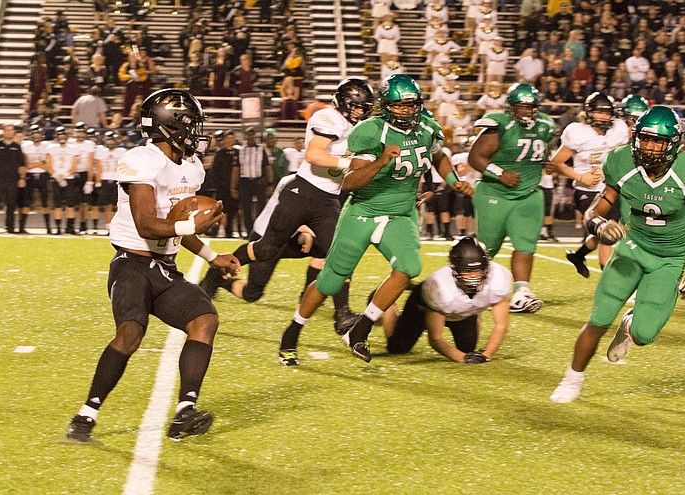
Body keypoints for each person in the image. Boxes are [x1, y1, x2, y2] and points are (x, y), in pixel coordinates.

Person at [66, 88, 240, 442]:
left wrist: (211, 255)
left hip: (165, 269)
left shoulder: (190, 167)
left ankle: (184, 412)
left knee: (204, 320)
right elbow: (147, 223)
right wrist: (192, 227)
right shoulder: (141, 160)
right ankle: (86, 415)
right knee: (131, 334)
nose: (196, 130)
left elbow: (177, 226)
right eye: (190, 123)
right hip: (131, 265)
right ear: (169, 126)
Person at [277, 74, 473, 365]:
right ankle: (292, 333)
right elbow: (351, 182)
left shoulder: (427, 128)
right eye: (400, 106)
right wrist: (381, 161)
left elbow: (438, 155)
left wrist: (453, 180)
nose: (407, 112)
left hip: (400, 213)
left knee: (409, 267)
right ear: (386, 106)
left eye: (412, 106)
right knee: (330, 282)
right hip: (364, 212)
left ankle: (362, 327)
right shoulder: (371, 132)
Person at [549, 106, 685, 403]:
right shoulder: (621, 161)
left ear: (675, 144)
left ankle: (631, 324)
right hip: (633, 248)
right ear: (635, 138)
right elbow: (597, 208)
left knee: (644, 335)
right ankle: (572, 379)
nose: (650, 147)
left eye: (659, 141)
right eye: (645, 139)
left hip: (669, 259)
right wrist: (599, 225)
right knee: (599, 319)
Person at [199, 79, 376, 336]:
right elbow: (314, 155)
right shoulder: (328, 117)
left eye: (364, 108)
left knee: (338, 254)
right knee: (264, 252)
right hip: (303, 193)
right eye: (355, 107)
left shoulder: (358, 127)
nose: (359, 112)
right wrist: (350, 163)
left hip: (327, 199)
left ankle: (342, 314)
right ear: (342, 102)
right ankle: (218, 273)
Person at [467, 83, 561, 313]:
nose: (526, 112)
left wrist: (547, 163)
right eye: (520, 107)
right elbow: (475, 157)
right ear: (511, 107)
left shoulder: (546, 125)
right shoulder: (499, 124)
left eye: (530, 108)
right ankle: (469, 285)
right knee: (488, 247)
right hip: (494, 193)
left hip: (528, 194)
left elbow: (538, 151)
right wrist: (500, 174)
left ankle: (521, 292)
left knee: (526, 245)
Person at [383, 236, 511, 363]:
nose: (474, 276)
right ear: (454, 269)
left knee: (467, 349)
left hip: (463, 312)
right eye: (467, 271)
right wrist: (462, 358)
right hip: (423, 309)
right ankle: (387, 304)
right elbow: (435, 339)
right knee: (397, 348)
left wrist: (487, 354)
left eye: (478, 270)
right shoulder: (440, 286)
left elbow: (501, 325)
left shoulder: (497, 277)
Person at [556, 93, 639, 278]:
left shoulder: (618, 129)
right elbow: (556, 163)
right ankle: (611, 281)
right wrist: (580, 176)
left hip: (610, 189)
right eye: (599, 112)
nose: (604, 116)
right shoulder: (578, 132)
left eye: (607, 113)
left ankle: (578, 256)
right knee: (607, 232)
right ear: (589, 113)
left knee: (606, 232)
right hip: (587, 191)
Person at [20, 125, 51, 233]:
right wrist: (40, 163)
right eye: (34, 134)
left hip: (43, 175)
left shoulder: (46, 146)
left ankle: (48, 228)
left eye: (38, 134)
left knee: (45, 202)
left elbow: (48, 165)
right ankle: (21, 227)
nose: (36, 136)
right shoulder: (26, 146)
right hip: (30, 176)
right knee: (27, 202)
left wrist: (37, 164)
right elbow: (26, 164)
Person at [0, 123, 25, 233]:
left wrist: (22, 178)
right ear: (3, 132)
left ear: (13, 132)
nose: (9, 132)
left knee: (11, 204)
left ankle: (10, 227)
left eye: (11, 130)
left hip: (12, 180)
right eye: (7, 130)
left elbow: (22, 164)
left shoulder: (17, 146)